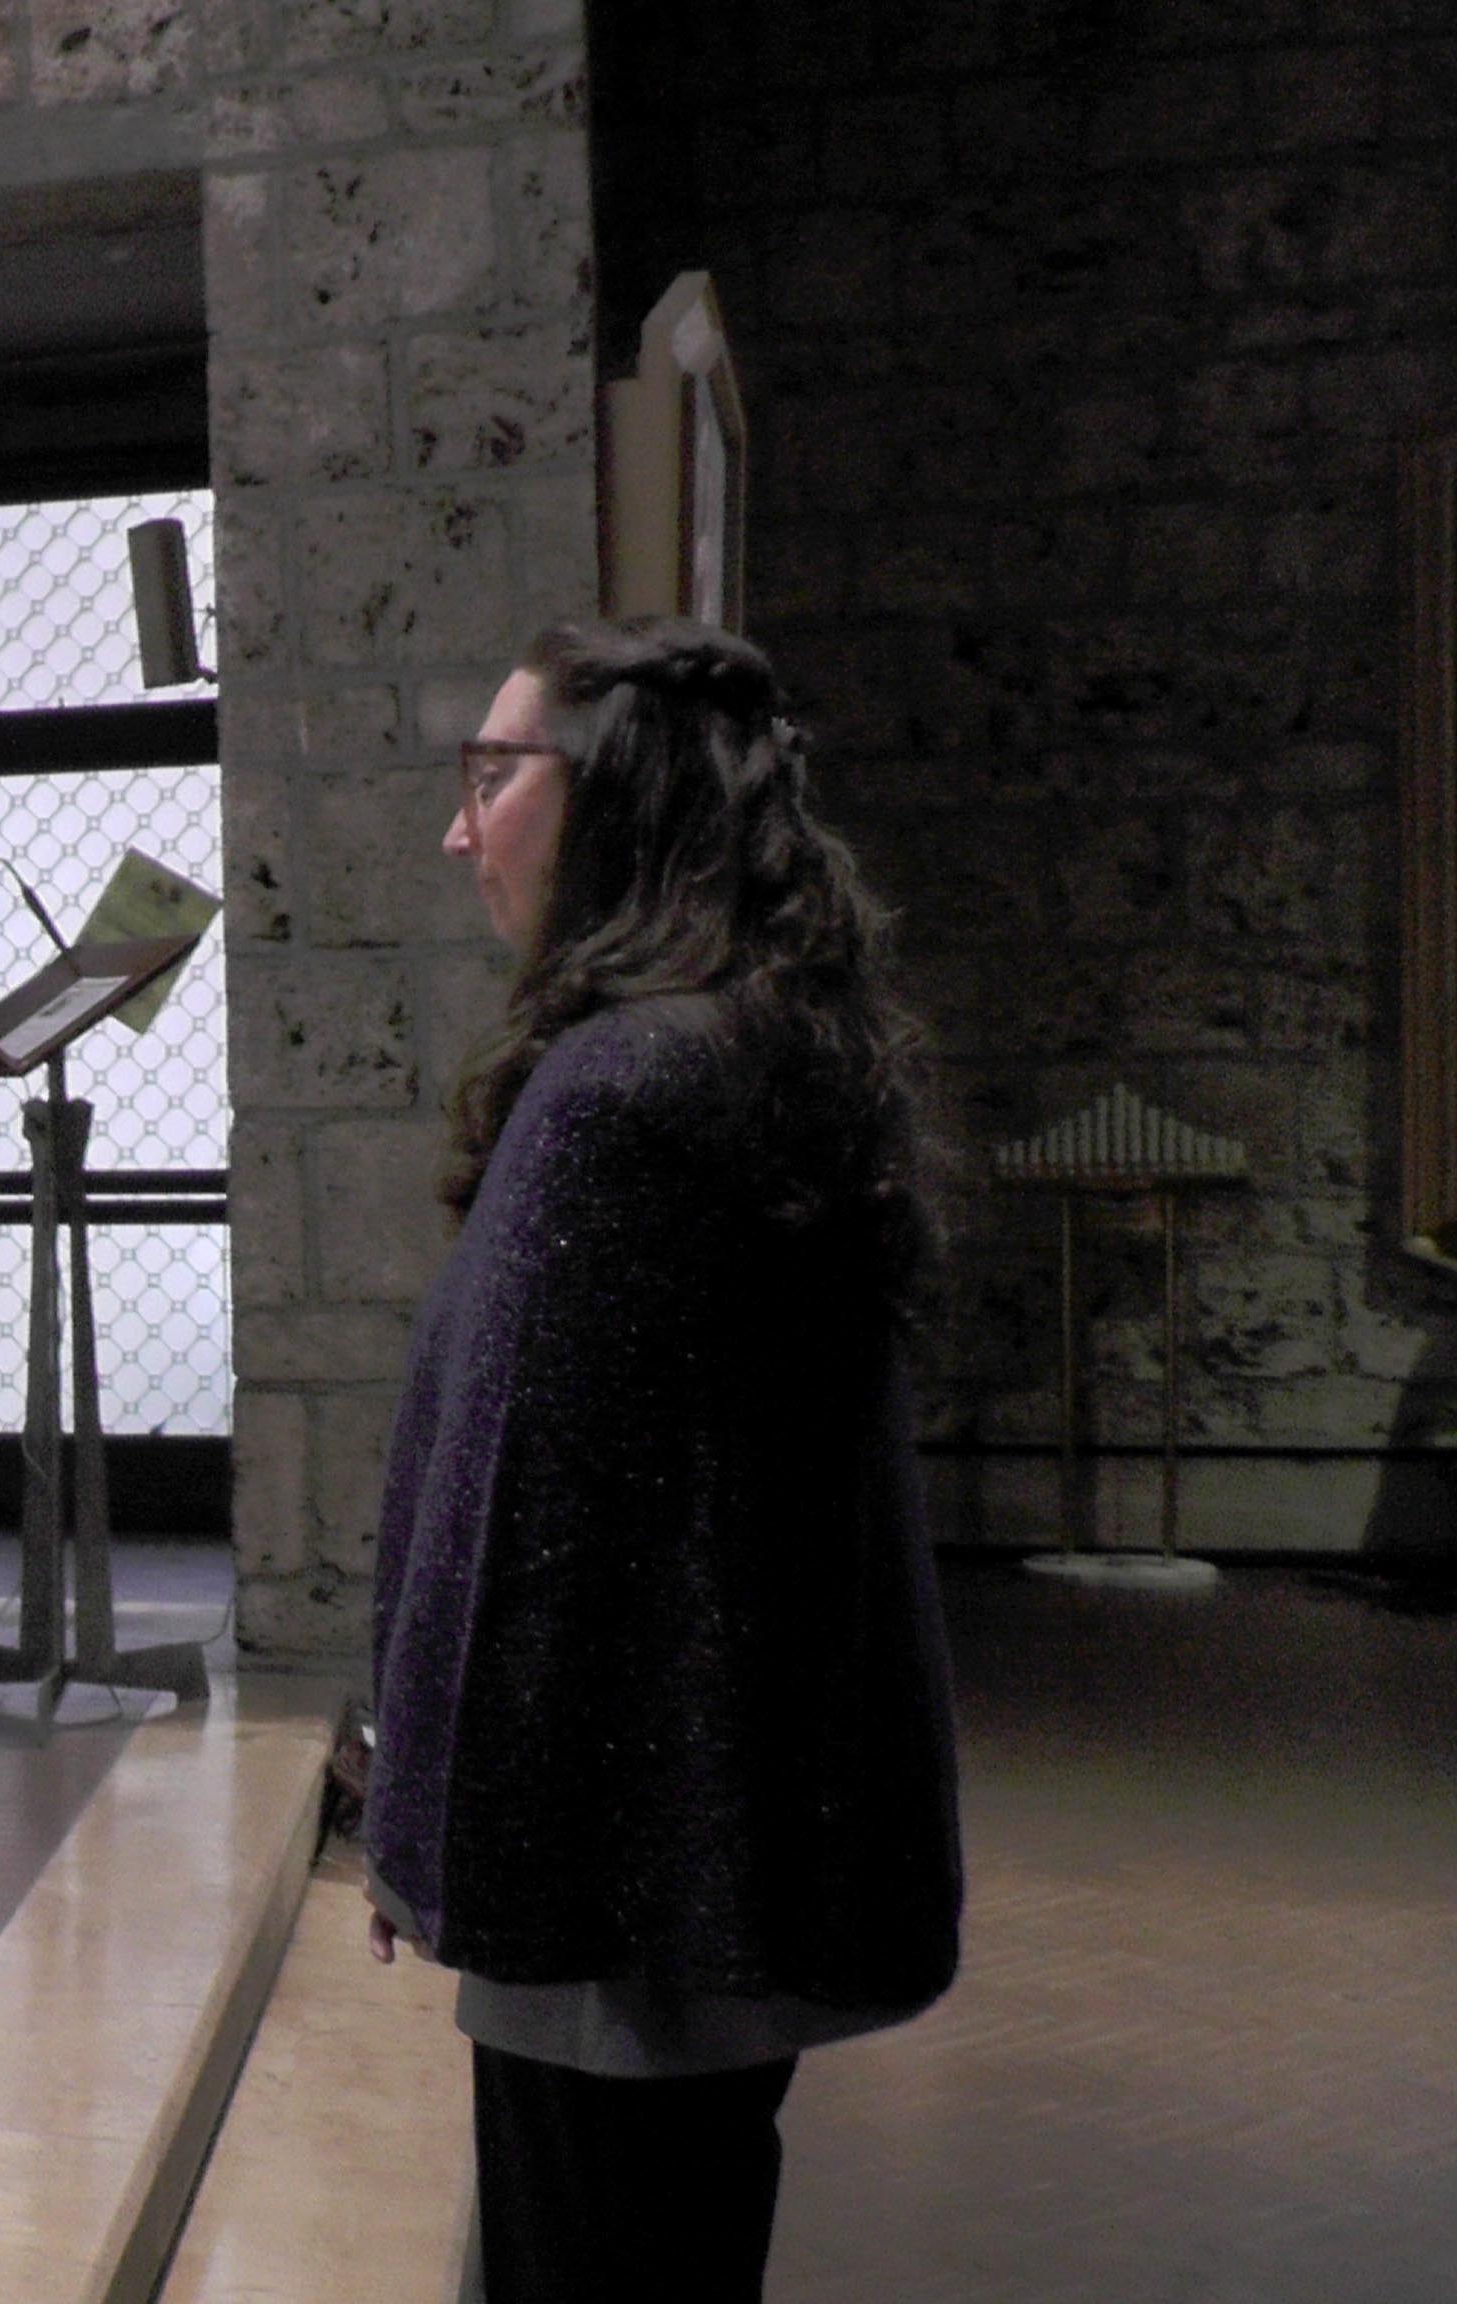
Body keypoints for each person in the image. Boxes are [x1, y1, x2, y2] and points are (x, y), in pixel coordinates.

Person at [365, 619, 963, 2304]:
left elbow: (517, 1529)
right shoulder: (749, 1040)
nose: (459, 828)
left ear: (613, 791)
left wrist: (424, 1822)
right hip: (705, 1848)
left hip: (605, 1879)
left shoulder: (620, 1088)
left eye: (494, 774)